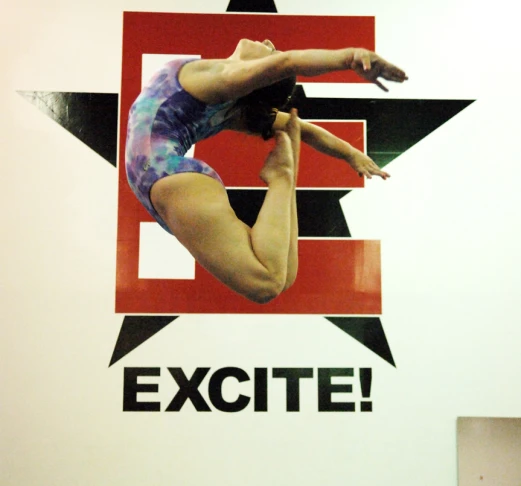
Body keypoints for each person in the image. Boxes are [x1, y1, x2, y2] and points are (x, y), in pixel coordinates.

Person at [125, 39, 407, 304]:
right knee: (280, 277)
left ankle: (281, 176)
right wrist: (351, 153)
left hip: (163, 174)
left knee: (269, 283)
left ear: (257, 79)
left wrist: (348, 57)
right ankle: (285, 176)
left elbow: (288, 63)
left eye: (270, 55)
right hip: (161, 177)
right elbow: (305, 129)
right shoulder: (228, 108)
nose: (269, 43)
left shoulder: (222, 78)